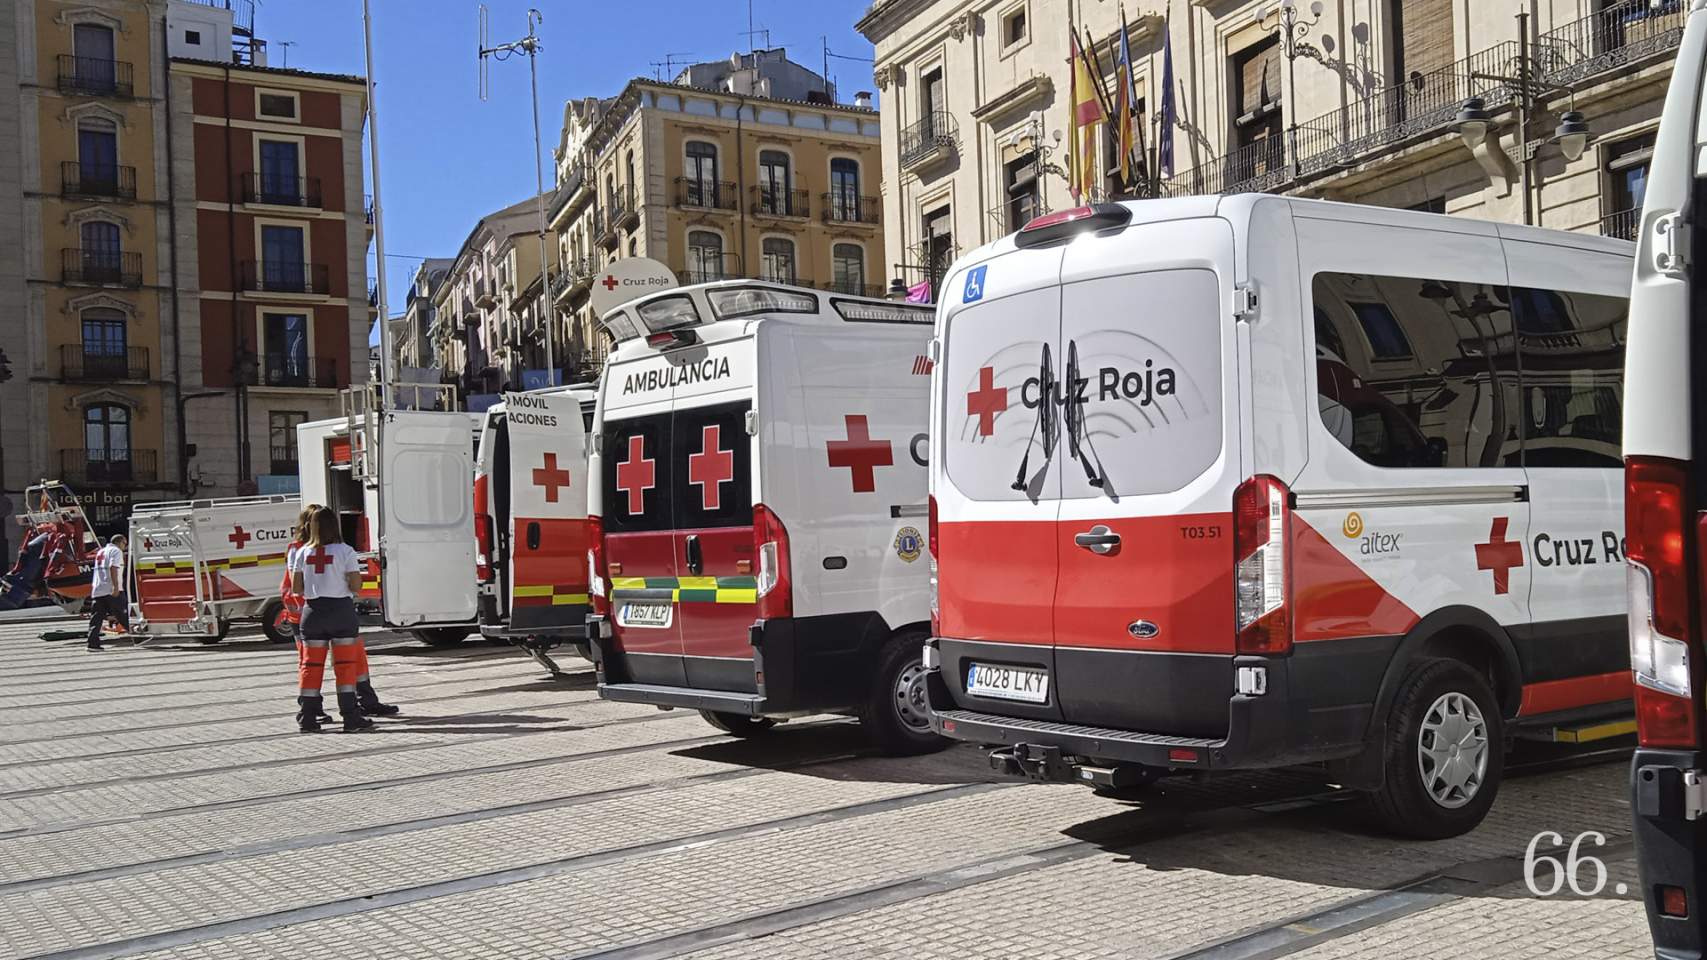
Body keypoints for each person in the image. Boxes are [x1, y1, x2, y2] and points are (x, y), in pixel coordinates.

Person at [288, 505, 382, 733]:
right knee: (345, 667)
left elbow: (296, 588)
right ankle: (351, 718)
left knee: (310, 667)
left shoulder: (302, 552)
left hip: (312, 613)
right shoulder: (345, 551)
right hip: (340, 611)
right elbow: (356, 584)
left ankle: (308, 718)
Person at [86, 533, 128, 650]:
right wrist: (115, 586)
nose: (125, 547)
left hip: (98, 589)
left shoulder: (101, 551)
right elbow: (113, 567)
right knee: (123, 614)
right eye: (125, 544)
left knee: (96, 618)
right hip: (111, 589)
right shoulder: (116, 551)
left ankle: (92, 643)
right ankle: (138, 636)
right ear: (120, 542)